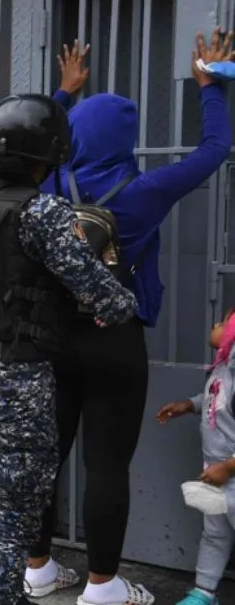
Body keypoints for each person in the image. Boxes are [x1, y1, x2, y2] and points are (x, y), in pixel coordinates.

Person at [26, 31, 234, 605]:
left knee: (44, 457)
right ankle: (102, 588)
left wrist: (62, 95)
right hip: (114, 340)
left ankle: (38, 570)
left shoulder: (46, 184)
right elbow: (214, 150)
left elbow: (28, 146)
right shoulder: (143, 191)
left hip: (51, 339)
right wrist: (209, 87)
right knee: (107, 464)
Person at [0, 93, 138, 605]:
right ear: (49, 156)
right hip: (16, 383)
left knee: (17, 499)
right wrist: (124, 302)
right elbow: (99, 292)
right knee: (13, 522)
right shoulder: (42, 212)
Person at [156, 308, 235, 605]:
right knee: (214, 534)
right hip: (217, 472)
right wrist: (190, 405)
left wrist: (229, 467)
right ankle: (204, 592)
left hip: (228, 471)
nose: (215, 325)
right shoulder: (224, 366)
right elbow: (217, 399)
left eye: (223, 322)